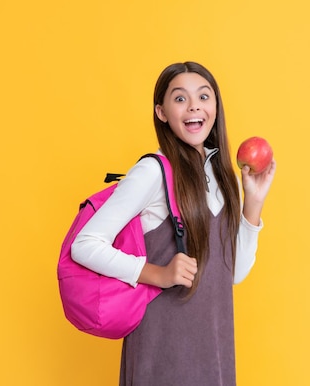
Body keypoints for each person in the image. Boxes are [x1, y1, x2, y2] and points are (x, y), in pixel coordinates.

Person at [71, 61, 276, 386]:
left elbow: (232, 273)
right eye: (180, 98)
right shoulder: (153, 172)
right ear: (161, 112)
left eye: (203, 96)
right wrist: (158, 274)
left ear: (215, 107)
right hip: (163, 345)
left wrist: (253, 202)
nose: (194, 105)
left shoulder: (223, 175)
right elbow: (83, 244)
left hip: (214, 346)